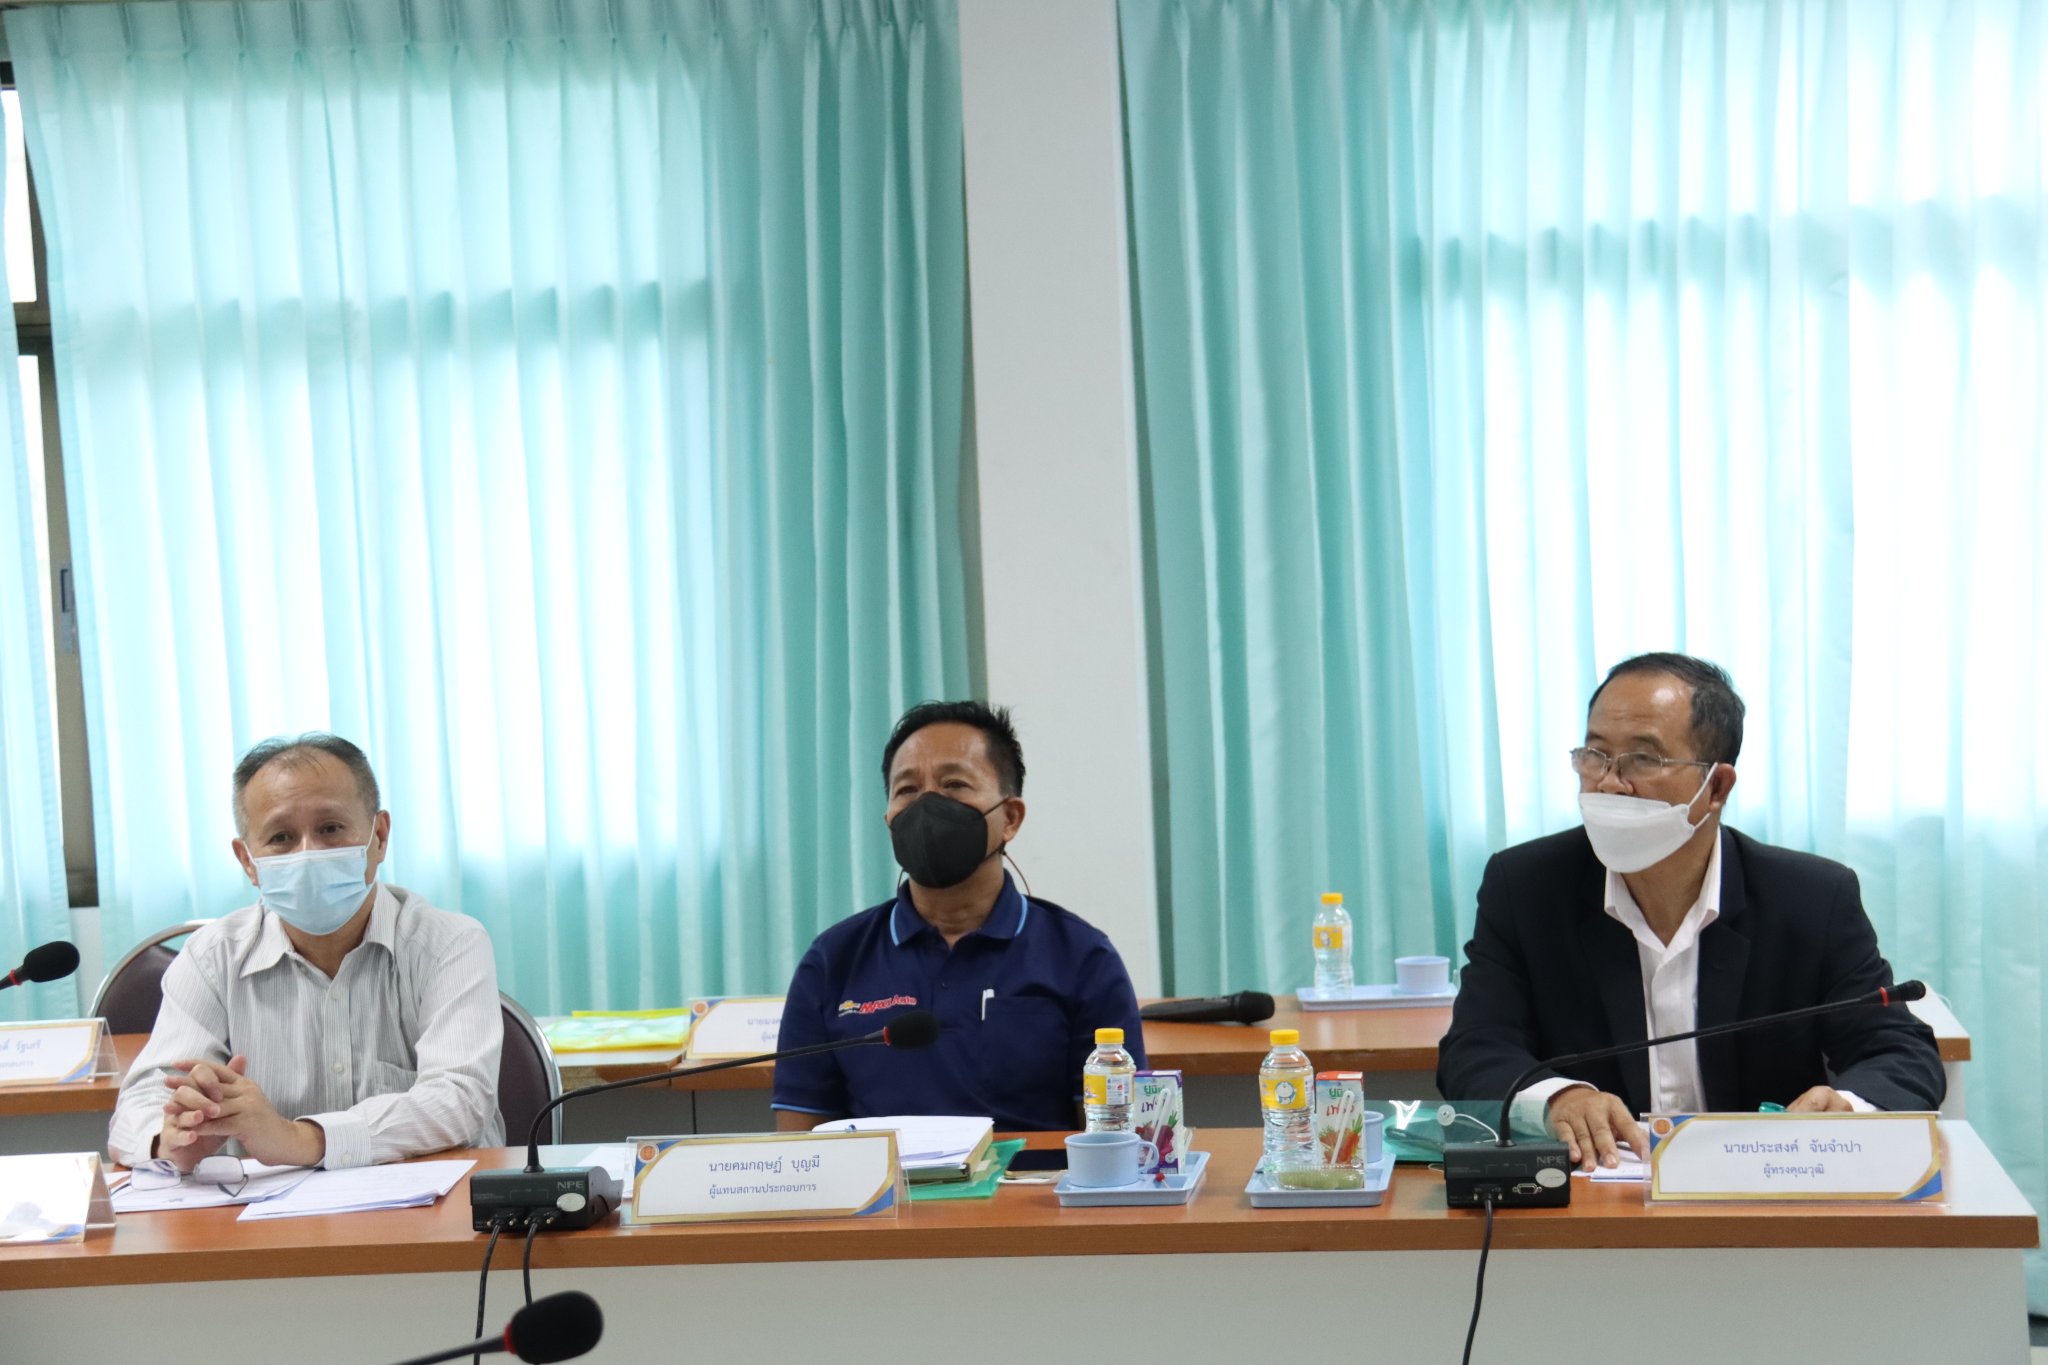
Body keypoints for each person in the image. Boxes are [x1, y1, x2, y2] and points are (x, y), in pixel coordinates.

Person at [1437, 653, 1942, 1171]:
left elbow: (1899, 1054)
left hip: (1762, 1194)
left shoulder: (1811, 898)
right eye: (1595, 754)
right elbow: (1475, 1049)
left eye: (1642, 759)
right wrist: (1556, 1099)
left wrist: (1848, 1110)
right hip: (1596, 1196)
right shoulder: (1526, 887)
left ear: (1716, 788)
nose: (1608, 782)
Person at [107, 734, 503, 1170]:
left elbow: (462, 1098)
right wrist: (172, 1137)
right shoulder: (212, 958)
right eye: (281, 837)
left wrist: (301, 1138)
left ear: (379, 836)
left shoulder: (448, 942)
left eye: (330, 829)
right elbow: (142, 1101)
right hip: (267, 1210)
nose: (308, 854)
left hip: (437, 1205)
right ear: (247, 861)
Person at [773, 701, 1145, 1130]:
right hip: (887, 1177)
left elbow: (1114, 1140)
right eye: (907, 790)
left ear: (1010, 817)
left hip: (1029, 1176)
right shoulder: (833, 961)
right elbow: (801, 1149)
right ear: (889, 818)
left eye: (954, 784)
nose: (928, 804)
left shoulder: (1081, 958)